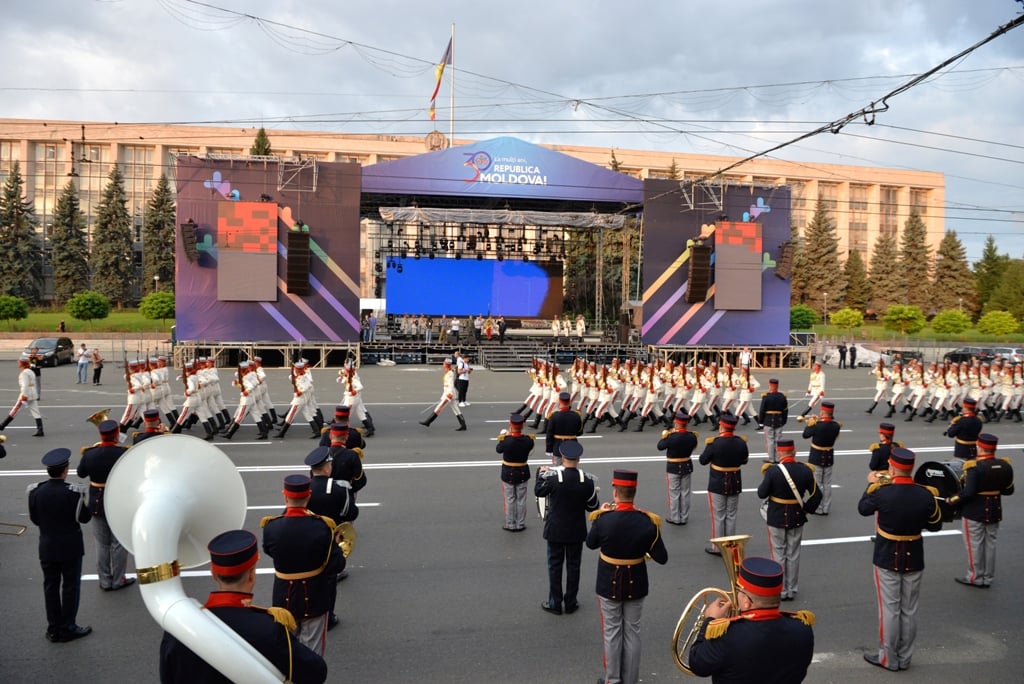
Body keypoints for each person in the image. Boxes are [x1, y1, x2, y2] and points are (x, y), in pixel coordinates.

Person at [159, 529, 328, 683]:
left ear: (213, 574)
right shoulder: (269, 628)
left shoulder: (178, 630)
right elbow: (316, 672)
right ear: (251, 575)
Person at [858, 447, 943, 672]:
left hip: (887, 555)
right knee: (909, 609)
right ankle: (905, 658)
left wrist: (870, 484)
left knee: (890, 609)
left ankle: (888, 657)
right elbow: (936, 525)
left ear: (893, 467)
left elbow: (863, 509)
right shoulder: (926, 494)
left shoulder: (882, 491)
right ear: (911, 468)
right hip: (914, 554)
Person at [586, 470, 668, 684]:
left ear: (615, 493)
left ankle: (612, 680)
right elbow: (662, 558)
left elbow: (591, 543)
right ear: (634, 492)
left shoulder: (603, 520)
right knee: (632, 632)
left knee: (612, 632)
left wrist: (601, 516)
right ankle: (630, 680)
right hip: (636, 582)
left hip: (608, 582)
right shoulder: (648, 522)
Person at [688, 557, 815, 682]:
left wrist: (709, 621)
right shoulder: (803, 630)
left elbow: (698, 664)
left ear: (747, 602)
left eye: (739, 591)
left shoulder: (727, 637)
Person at [261, 474, 345, 656]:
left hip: (284, 596)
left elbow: (269, 550)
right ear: (308, 497)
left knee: (286, 652)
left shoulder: (271, 527)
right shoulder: (323, 526)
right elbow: (336, 565)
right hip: (315, 596)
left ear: (285, 497)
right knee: (312, 653)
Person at [27, 448, 92, 643]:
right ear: (65, 470)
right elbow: (85, 518)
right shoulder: (73, 493)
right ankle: (68, 626)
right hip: (70, 547)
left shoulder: (35, 491)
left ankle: (53, 628)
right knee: (71, 587)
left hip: (47, 546)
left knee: (50, 587)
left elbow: (35, 519)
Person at [534, 440, 599, 615]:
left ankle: (555, 603)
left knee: (554, 566)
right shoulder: (587, 481)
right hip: (576, 531)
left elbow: (539, 492)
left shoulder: (553, 479)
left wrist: (540, 474)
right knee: (574, 566)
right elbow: (593, 507)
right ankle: (570, 602)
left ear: (562, 457)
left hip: (555, 530)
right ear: (578, 459)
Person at [756, 439, 822, 601]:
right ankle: (791, 589)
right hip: (797, 516)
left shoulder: (773, 471)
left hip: (777, 516)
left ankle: (781, 589)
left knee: (778, 553)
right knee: (793, 553)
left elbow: (761, 493)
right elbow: (817, 495)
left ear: (779, 452)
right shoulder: (805, 470)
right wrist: (807, 509)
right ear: (794, 452)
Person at [947, 433, 1014, 588]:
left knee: (974, 545)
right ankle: (988, 577)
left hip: (974, 511)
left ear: (981, 447)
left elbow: (968, 492)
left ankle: (975, 577)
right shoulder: (1005, 465)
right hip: (994, 510)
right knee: (990, 544)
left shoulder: (975, 467)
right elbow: (1009, 490)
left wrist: (953, 499)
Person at [76, 419, 135, 591]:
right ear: (116, 434)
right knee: (118, 543)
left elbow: (81, 473)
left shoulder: (89, 453)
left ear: (100, 435)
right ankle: (118, 579)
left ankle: (105, 581)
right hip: (117, 501)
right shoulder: (123, 453)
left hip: (96, 501)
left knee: (102, 544)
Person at [305, 446, 358, 626]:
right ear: (328, 467)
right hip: (330, 541)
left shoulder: (303, 489)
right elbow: (350, 513)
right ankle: (329, 617)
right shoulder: (338, 488)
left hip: (308, 540)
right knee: (329, 579)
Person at [698, 414, 748, 553]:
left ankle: (718, 547)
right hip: (735, 481)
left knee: (718, 516)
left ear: (721, 426)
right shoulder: (741, 442)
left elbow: (702, 460)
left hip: (718, 482)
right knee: (731, 515)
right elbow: (744, 460)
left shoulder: (714, 443)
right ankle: (730, 544)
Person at [657, 411, 698, 525]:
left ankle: (675, 517)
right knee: (685, 493)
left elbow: (660, 446)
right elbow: (693, 446)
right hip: (687, 466)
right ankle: (684, 517)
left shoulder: (671, 436)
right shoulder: (692, 436)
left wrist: (664, 436)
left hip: (673, 467)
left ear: (676, 423)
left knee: (674, 494)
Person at [801, 401, 842, 515]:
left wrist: (810, 423)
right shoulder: (836, 426)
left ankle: (818, 508)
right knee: (827, 484)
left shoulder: (817, 425)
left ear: (823, 412)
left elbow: (805, 435)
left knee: (818, 484)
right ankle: (826, 508)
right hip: (829, 457)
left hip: (816, 457)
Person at [496, 413, 534, 531]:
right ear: (522, 425)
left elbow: (498, 449)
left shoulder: (506, 440)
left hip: (508, 472)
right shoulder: (529, 440)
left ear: (510, 425)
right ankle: (520, 523)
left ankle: (510, 523)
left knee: (510, 498)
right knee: (521, 499)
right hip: (522, 471)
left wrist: (506, 435)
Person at [0, 358, 44, 436]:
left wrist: (24, 396)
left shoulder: (24, 373)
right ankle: (40, 429)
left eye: (19, 363)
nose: (18, 364)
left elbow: (25, 385)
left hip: (26, 394)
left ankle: (2, 425)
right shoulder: (31, 371)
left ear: (22, 364)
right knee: (35, 411)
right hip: (33, 393)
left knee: (15, 410)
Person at [419, 358, 466, 431]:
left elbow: (451, 385)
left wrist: (449, 394)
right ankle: (463, 425)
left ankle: (428, 422)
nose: (443, 364)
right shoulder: (448, 372)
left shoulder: (450, 373)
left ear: (447, 364)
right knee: (455, 409)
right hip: (448, 393)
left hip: (449, 394)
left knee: (439, 407)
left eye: (444, 363)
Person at [944, 397, 982, 477]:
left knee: (959, 469)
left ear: (965, 408)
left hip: (961, 450)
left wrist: (952, 424)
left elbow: (951, 434)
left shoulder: (962, 421)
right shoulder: (978, 420)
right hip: (973, 448)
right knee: (972, 467)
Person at [545, 391, 584, 465]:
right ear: (569, 402)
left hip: (558, 446)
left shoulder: (554, 416)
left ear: (559, 401)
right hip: (572, 445)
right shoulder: (576, 416)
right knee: (571, 469)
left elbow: (549, 434)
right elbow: (580, 432)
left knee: (559, 470)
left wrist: (549, 449)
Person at [756, 377, 788, 463]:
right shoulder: (782, 397)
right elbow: (785, 410)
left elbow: (762, 410)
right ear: (777, 386)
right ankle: (778, 458)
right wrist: (784, 421)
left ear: (770, 385)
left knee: (770, 440)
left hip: (768, 420)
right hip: (779, 420)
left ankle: (771, 458)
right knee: (778, 440)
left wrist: (761, 421)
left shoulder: (766, 397)